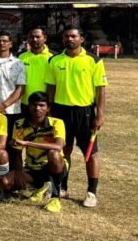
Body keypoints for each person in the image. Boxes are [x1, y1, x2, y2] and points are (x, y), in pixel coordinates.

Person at [45, 26, 107, 208]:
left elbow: (101, 90)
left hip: (84, 112)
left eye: (73, 36)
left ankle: (91, 192)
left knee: (91, 153)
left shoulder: (94, 60)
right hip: (60, 112)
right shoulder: (54, 60)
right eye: (66, 36)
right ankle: (62, 187)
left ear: (82, 39)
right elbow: (51, 87)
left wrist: (100, 115)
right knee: (63, 151)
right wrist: (50, 111)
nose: (70, 39)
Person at [0, 92, 66, 213]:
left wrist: (27, 143)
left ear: (48, 108)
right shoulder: (19, 124)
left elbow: (59, 146)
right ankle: (40, 187)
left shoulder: (57, 123)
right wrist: (19, 172)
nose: (37, 108)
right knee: (5, 183)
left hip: (53, 166)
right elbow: (17, 152)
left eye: (42, 105)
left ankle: (55, 198)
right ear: (29, 106)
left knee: (54, 153)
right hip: (32, 168)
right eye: (34, 105)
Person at [0, 31, 26, 136]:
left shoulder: (18, 63)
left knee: (11, 141)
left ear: (11, 44)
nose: (1, 43)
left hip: (11, 110)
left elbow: (21, 88)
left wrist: (4, 105)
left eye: (5, 41)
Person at [18, 28, 53, 112]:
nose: (34, 39)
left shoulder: (52, 57)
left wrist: (50, 103)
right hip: (25, 103)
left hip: (44, 104)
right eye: (31, 37)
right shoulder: (21, 57)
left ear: (45, 38)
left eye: (38, 37)